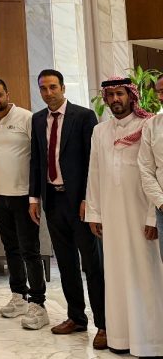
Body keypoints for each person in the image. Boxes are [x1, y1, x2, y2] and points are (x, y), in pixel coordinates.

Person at [85, 76, 163, 356]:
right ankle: (121, 338)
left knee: (146, 276)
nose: (115, 99)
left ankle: (151, 342)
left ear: (131, 96)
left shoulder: (147, 125)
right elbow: (94, 172)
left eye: (120, 93)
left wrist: (153, 217)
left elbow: (152, 173)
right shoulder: (100, 131)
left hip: (142, 215)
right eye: (110, 95)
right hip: (112, 215)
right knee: (116, 275)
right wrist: (94, 212)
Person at [28, 69, 106, 350]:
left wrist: (89, 199)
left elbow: (93, 161)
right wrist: (34, 198)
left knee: (92, 264)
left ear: (63, 87)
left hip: (80, 203)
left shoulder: (84, 117)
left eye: (53, 87)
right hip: (53, 200)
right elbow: (36, 160)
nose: (48, 93)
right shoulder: (38, 119)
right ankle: (76, 318)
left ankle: (104, 324)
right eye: (43, 88)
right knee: (66, 263)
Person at [0, 78, 48, 330]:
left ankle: (39, 304)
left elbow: (39, 156)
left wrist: (34, 196)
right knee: (11, 249)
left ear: (7, 94)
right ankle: (19, 296)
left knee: (30, 251)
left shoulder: (26, 118)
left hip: (24, 197)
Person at [139, 73, 163, 260]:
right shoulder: (152, 125)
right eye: (158, 92)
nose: (160, 96)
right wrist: (161, 202)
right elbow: (146, 169)